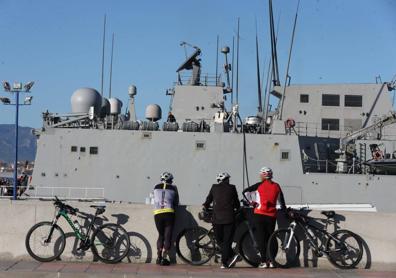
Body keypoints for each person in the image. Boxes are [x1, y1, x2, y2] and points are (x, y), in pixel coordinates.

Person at [242, 167, 286, 269]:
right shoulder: (276, 186)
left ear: (262, 175)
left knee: (261, 238)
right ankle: (270, 261)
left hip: (259, 214)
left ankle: (263, 261)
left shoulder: (259, 185)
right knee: (270, 238)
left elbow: (245, 192)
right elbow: (282, 201)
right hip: (271, 216)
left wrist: (252, 203)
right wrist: (285, 211)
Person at [202, 172, 240, 269]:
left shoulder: (214, 187)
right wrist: (237, 209)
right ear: (226, 180)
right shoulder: (232, 188)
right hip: (229, 218)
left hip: (216, 218)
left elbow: (209, 199)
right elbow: (236, 203)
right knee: (227, 241)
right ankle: (227, 260)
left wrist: (205, 206)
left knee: (220, 241)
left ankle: (228, 259)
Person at [152, 172, 179, 266]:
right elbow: (176, 202)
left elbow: (154, 198)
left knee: (161, 235)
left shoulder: (155, 186)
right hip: (169, 212)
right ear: (171, 180)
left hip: (157, 213)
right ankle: (164, 258)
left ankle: (158, 257)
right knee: (167, 236)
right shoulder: (174, 187)